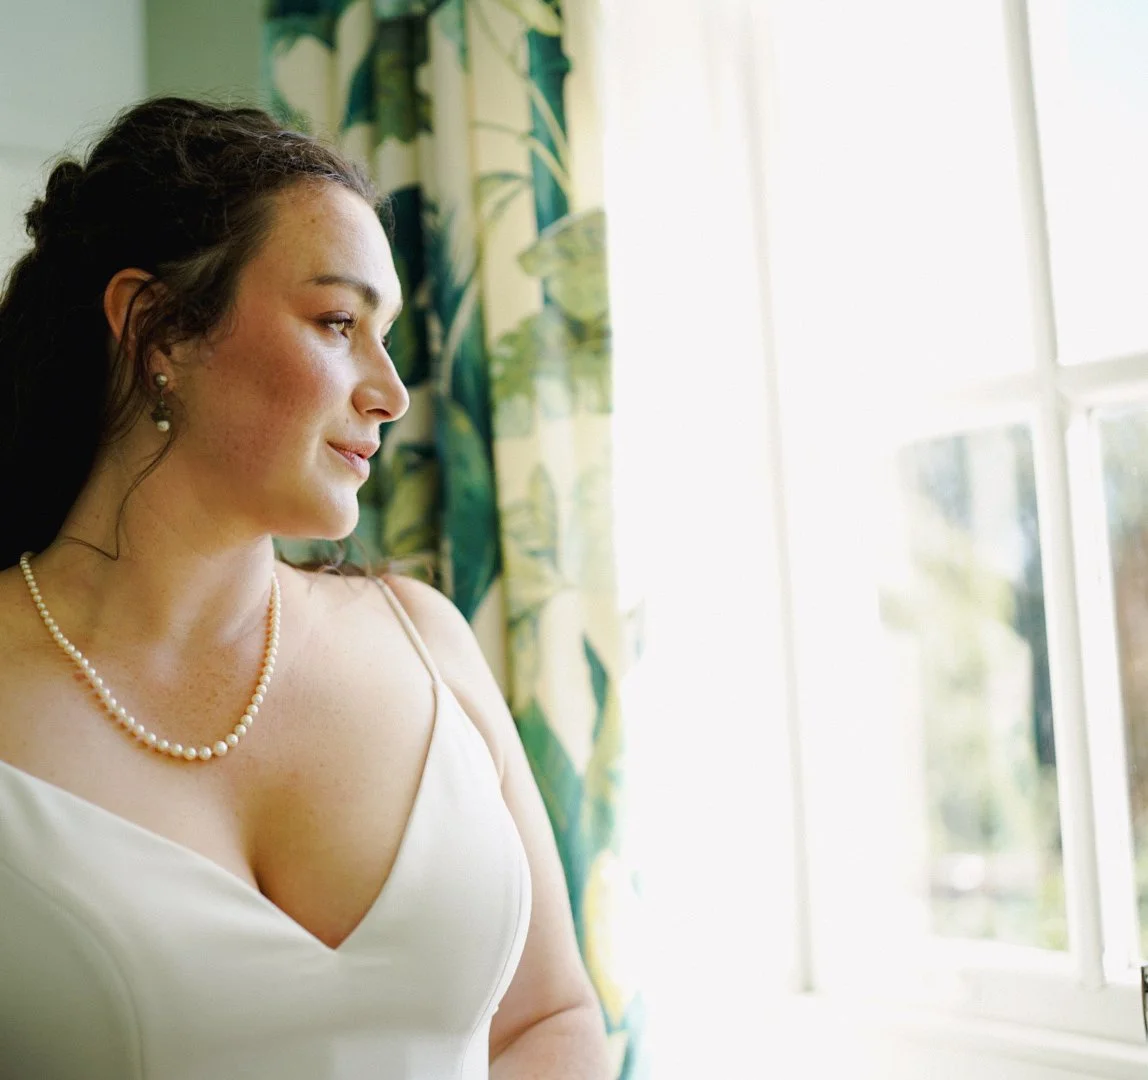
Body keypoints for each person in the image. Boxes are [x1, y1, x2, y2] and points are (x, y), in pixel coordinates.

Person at [0, 97, 609, 1079]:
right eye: (337, 323)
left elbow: (548, 1018)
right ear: (157, 331)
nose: (391, 392)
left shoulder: (425, 639)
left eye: (386, 333)